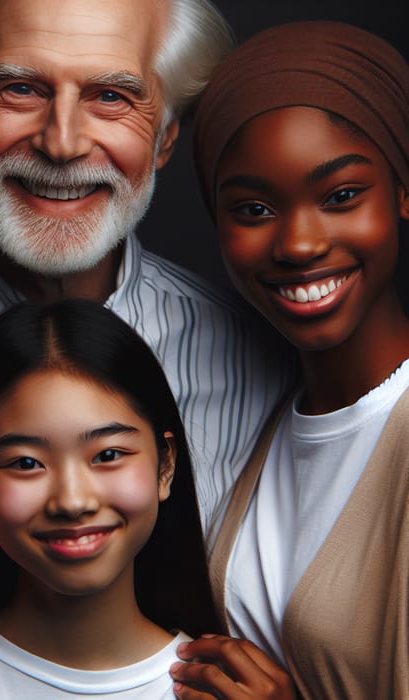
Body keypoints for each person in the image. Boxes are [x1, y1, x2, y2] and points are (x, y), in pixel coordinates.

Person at [0, 0, 295, 694]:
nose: (61, 142)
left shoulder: (256, 357)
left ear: (166, 137)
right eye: (20, 88)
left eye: (112, 96)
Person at [176, 21, 409, 698]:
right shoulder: (273, 417)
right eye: (254, 208)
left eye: (340, 197)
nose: (300, 243)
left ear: (402, 191)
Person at [0, 299, 294, 699]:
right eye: (26, 463)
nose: (72, 501)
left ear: (165, 467)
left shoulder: (224, 692)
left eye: (108, 455)